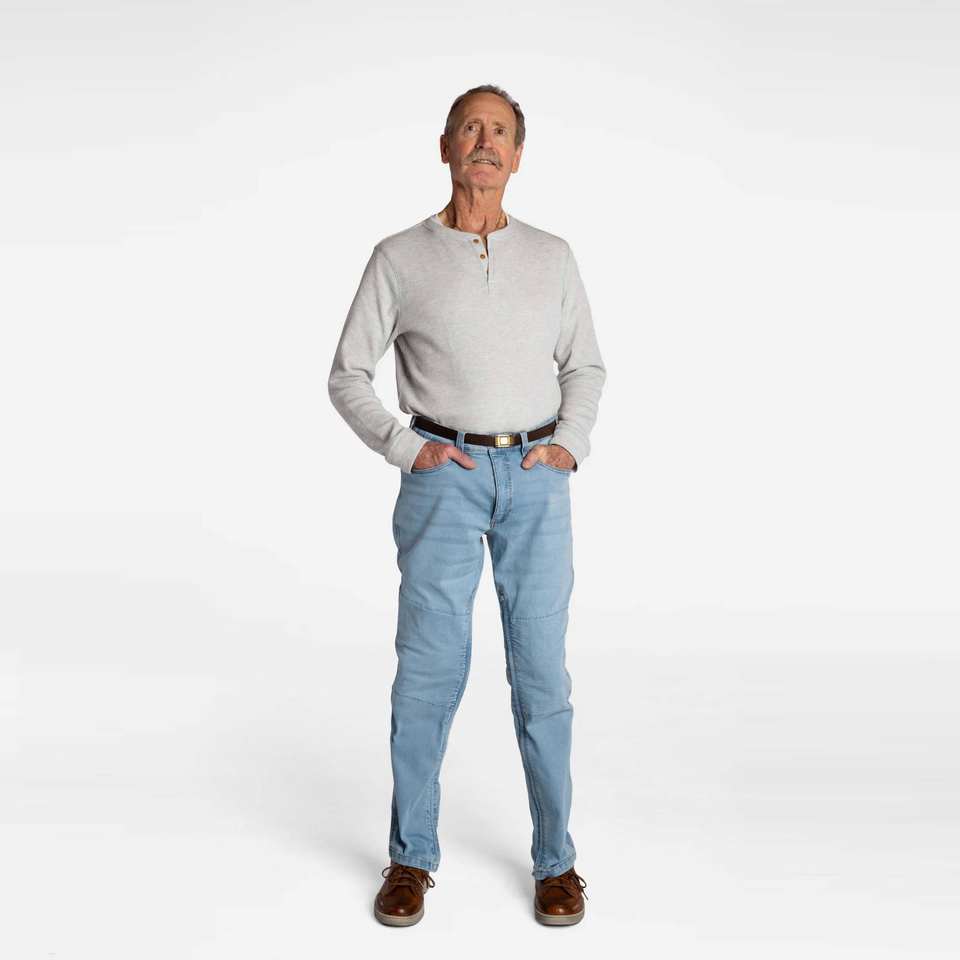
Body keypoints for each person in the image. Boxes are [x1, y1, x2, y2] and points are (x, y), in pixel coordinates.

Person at [327, 84, 606, 926]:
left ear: (517, 156)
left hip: (535, 475)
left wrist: (569, 444)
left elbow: (585, 366)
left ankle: (557, 862)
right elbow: (347, 374)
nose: (485, 142)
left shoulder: (553, 256)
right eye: (471, 128)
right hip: (441, 474)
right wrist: (404, 447)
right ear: (445, 146)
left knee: (542, 673)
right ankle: (410, 857)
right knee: (428, 670)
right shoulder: (398, 257)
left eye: (501, 132)